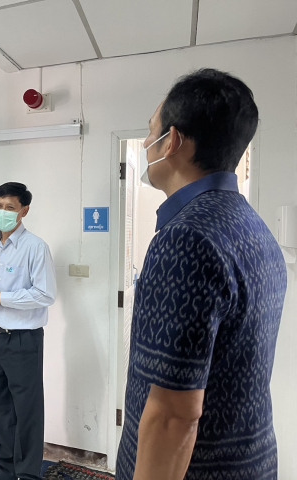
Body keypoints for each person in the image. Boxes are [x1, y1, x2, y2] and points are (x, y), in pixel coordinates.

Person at [116, 69, 287, 480]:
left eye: (151, 131)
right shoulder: (253, 227)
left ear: (172, 141)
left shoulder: (187, 238)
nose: (146, 142)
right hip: (249, 459)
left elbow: (174, 415)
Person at [0, 182, 56, 480]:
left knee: (27, 410)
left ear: (24, 211)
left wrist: (1, 298)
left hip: (24, 339)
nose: (3, 212)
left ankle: (28, 474)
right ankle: (3, 470)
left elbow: (45, 294)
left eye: (10, 207)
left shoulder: (36, 247)